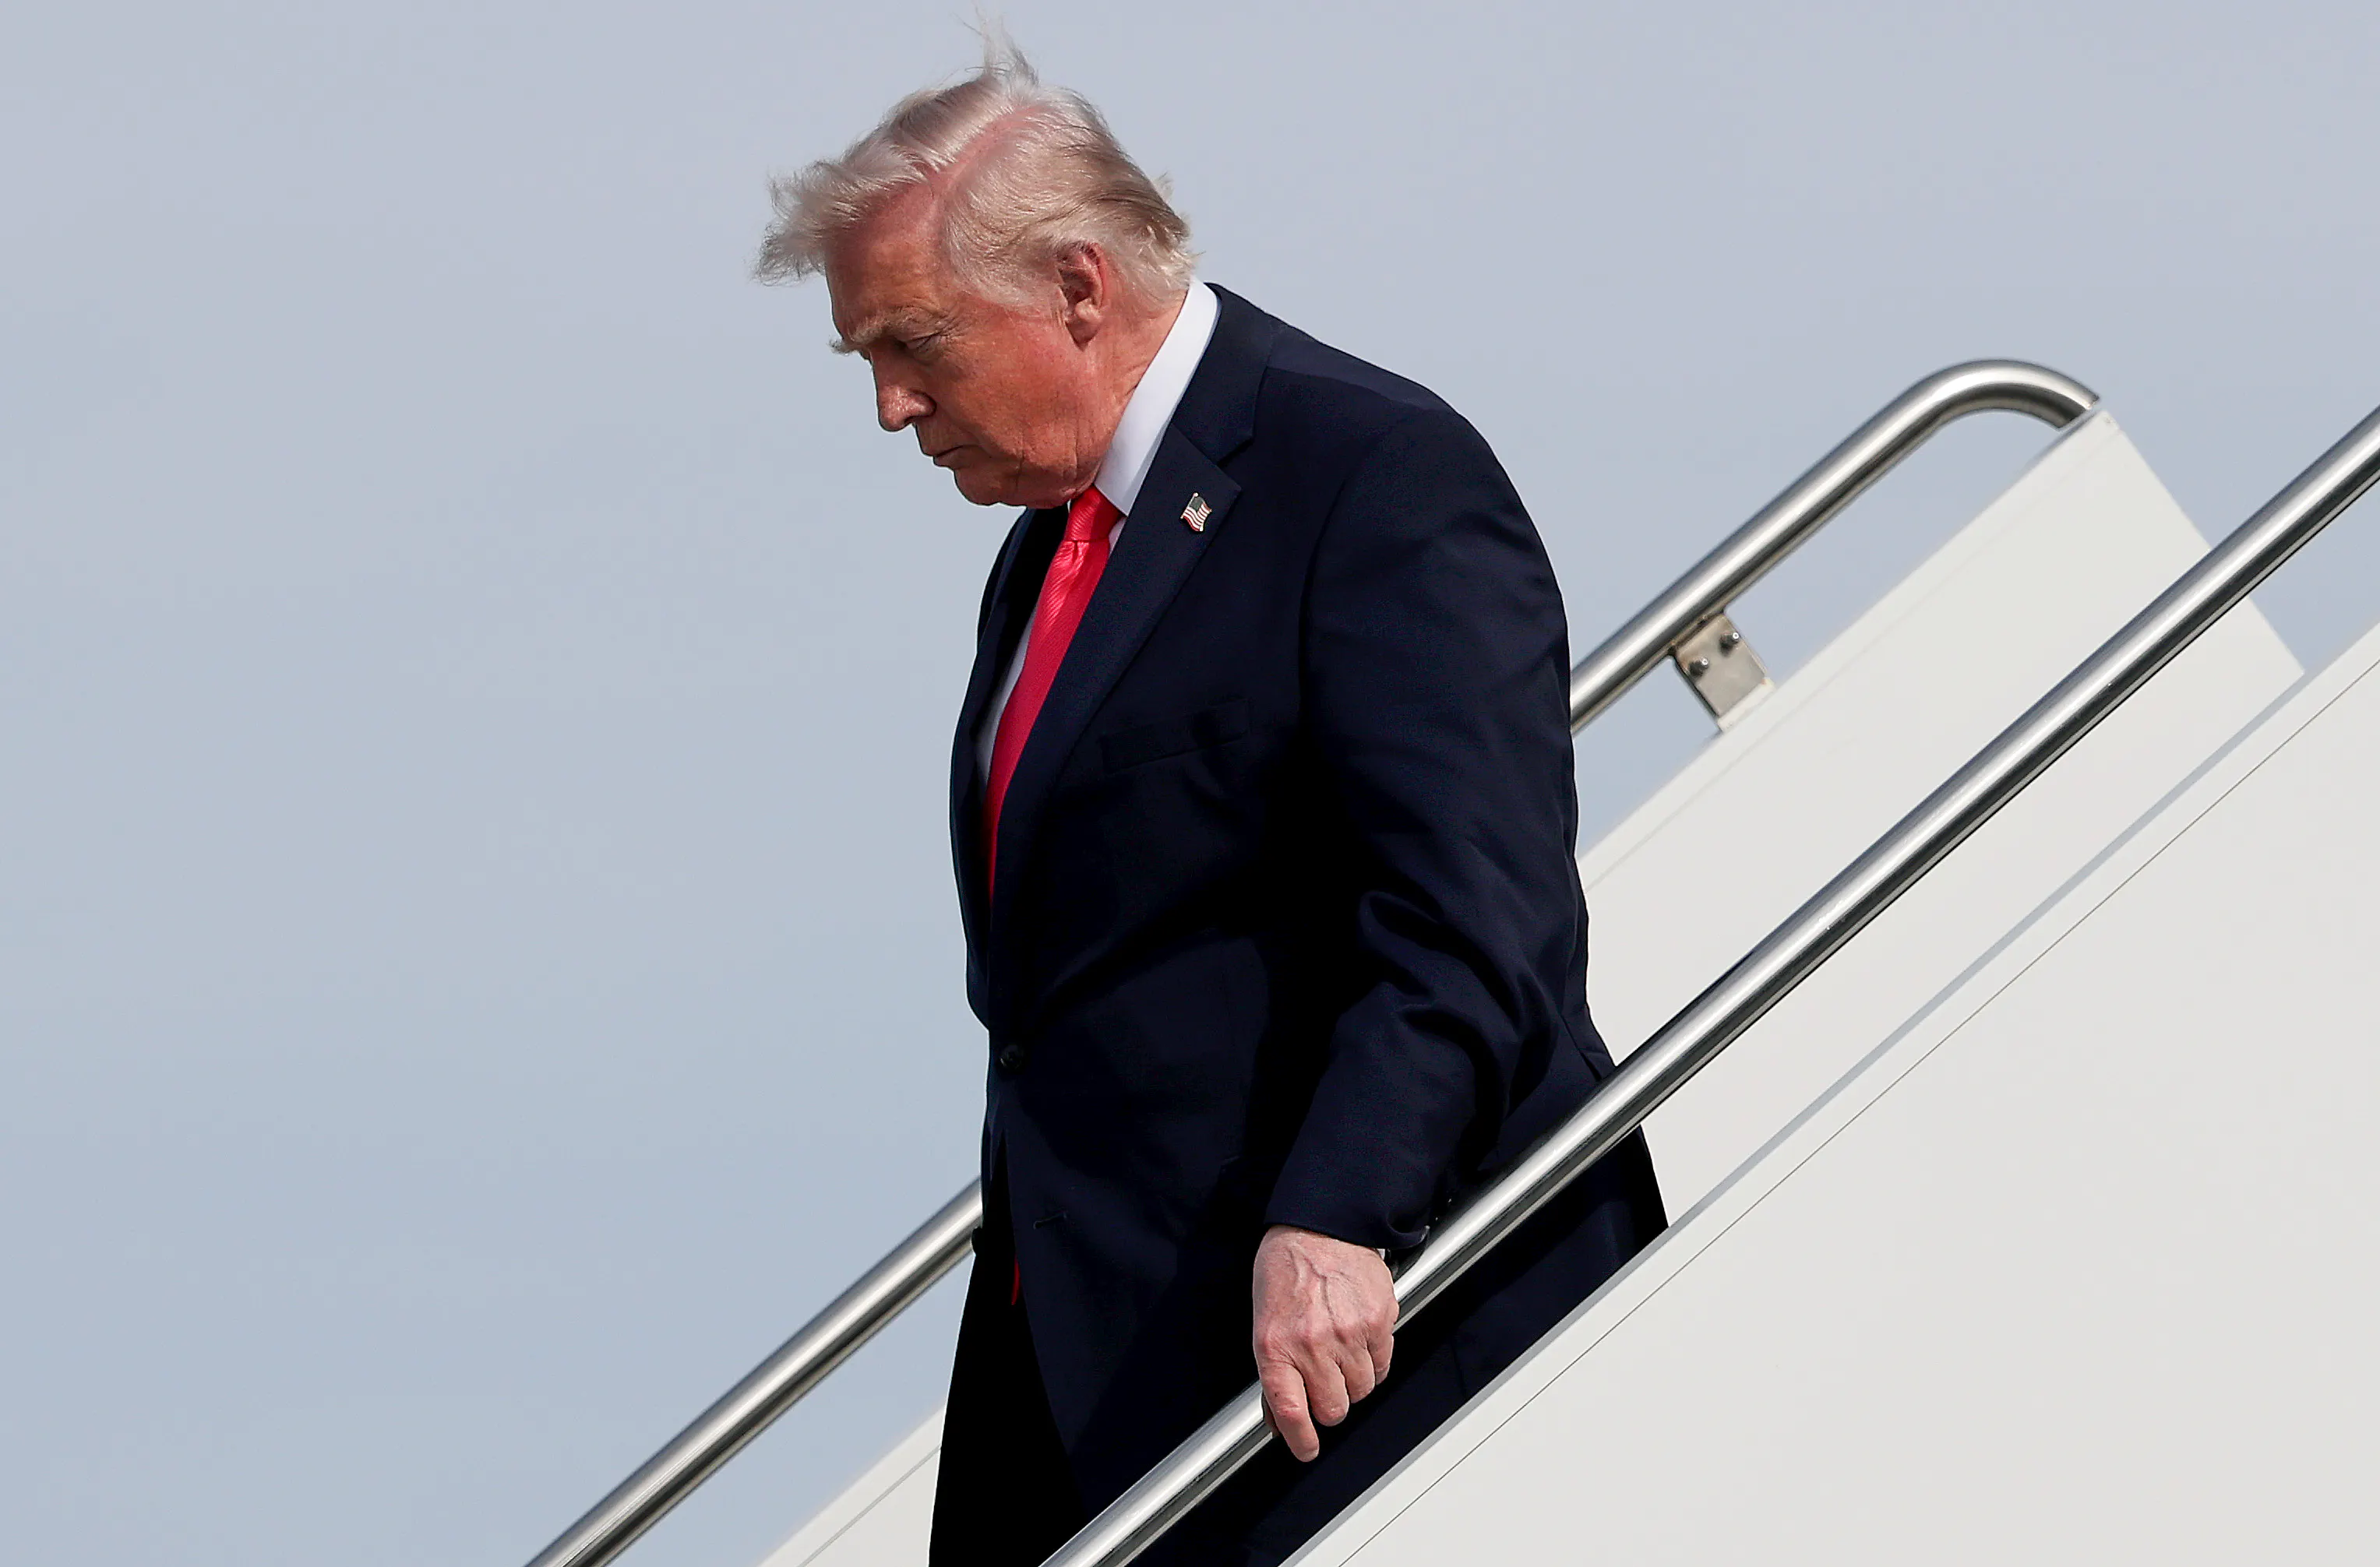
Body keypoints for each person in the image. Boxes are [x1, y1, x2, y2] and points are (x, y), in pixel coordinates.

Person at [758, 38, 1664, 1567]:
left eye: (913, 343)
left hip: (1350, 1350)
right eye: (869, 363)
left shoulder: (1368, 473)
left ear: (1078, 286)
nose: (895, 406)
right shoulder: (1043, 556)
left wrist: (1342, 1215)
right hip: (1101, 1367)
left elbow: (1473, 905)